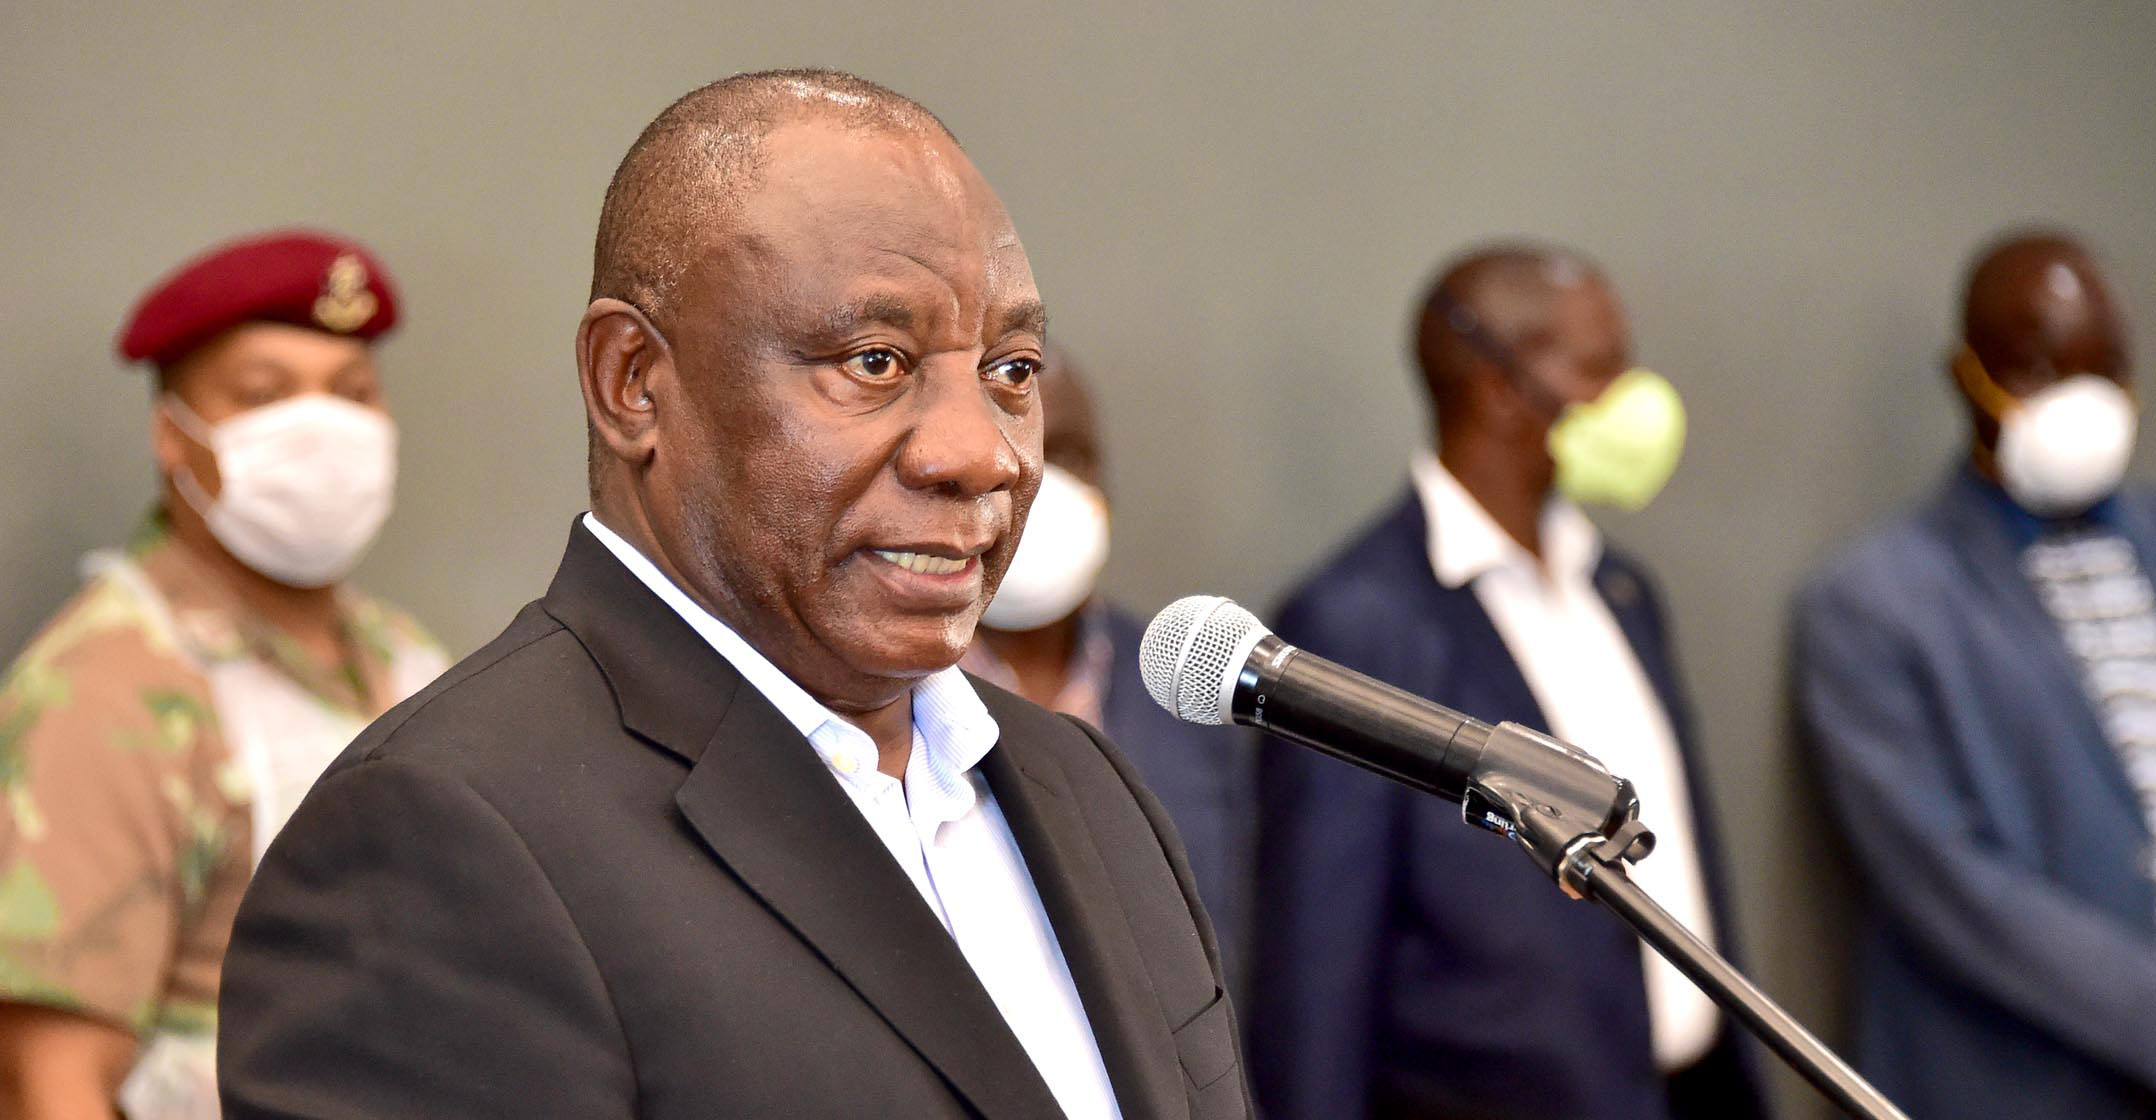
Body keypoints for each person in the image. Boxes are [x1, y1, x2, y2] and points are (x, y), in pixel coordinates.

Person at [216, 70, 1249, 1120]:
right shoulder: (438, 842)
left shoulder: (1087, 790)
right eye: (875, 361)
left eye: (1011, 370)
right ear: (632, 381)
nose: (981, 453)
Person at [1250, 243, 1766, 1119]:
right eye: (1600, 369)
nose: (1635, 398)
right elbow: (1318, 973)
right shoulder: (1357, 624)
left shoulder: (1621, 589)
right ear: (1498, 386)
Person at [0, 230, 449, 1120]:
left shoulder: (409, 661)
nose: (322, 430)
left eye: (353, 392)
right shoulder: (110, 687)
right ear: (174, 438)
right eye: (264, 393)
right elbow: (44, 1081)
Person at [1794, 231, 2156, 1119]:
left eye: (2103, 369)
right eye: (2038, 369)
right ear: (1968, 376)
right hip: (2021, 1083)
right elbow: (1951, 885)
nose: (2079, 400)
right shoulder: (1875, 601)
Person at [961, 346, 1254, 982]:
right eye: (1009, 449)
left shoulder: (1186, 684)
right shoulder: (886, 696)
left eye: (1067, 455)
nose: (1041, 485)